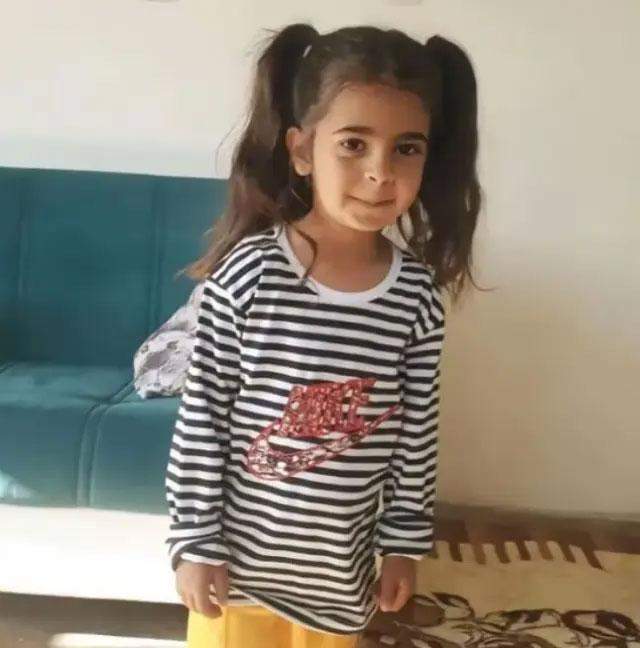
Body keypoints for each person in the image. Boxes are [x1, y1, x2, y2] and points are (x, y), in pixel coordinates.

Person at [164, 22, 481, 648]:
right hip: (236, 578)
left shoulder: (416, 298)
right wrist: (194, 543)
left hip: (337, 584)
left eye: (406, 149)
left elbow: (415, 436)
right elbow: (202, 418)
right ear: (303, 151)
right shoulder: (250, 274)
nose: (380, 173)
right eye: (354, 144)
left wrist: (402, 546)